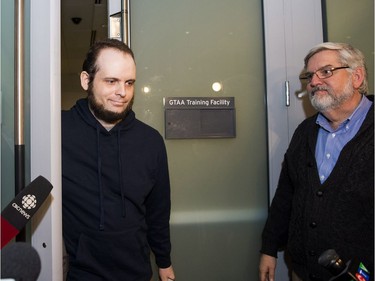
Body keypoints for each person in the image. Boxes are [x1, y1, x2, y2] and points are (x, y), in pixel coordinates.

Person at [62, 39, 175, 281]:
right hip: (80, 274)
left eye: (129, 83)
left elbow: (158, 212)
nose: (122, 92)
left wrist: (164, 263)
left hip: (136, 272)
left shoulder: (150, 141)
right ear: (86, 80)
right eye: (111, 81)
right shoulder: (57, 132)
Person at [259, 42, 374, 281]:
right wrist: (269, 248)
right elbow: (286, 195)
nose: (314, 81)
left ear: (357, 76)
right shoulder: (305, 133)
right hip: (303, 271)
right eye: (310, 75)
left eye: (326, 72)